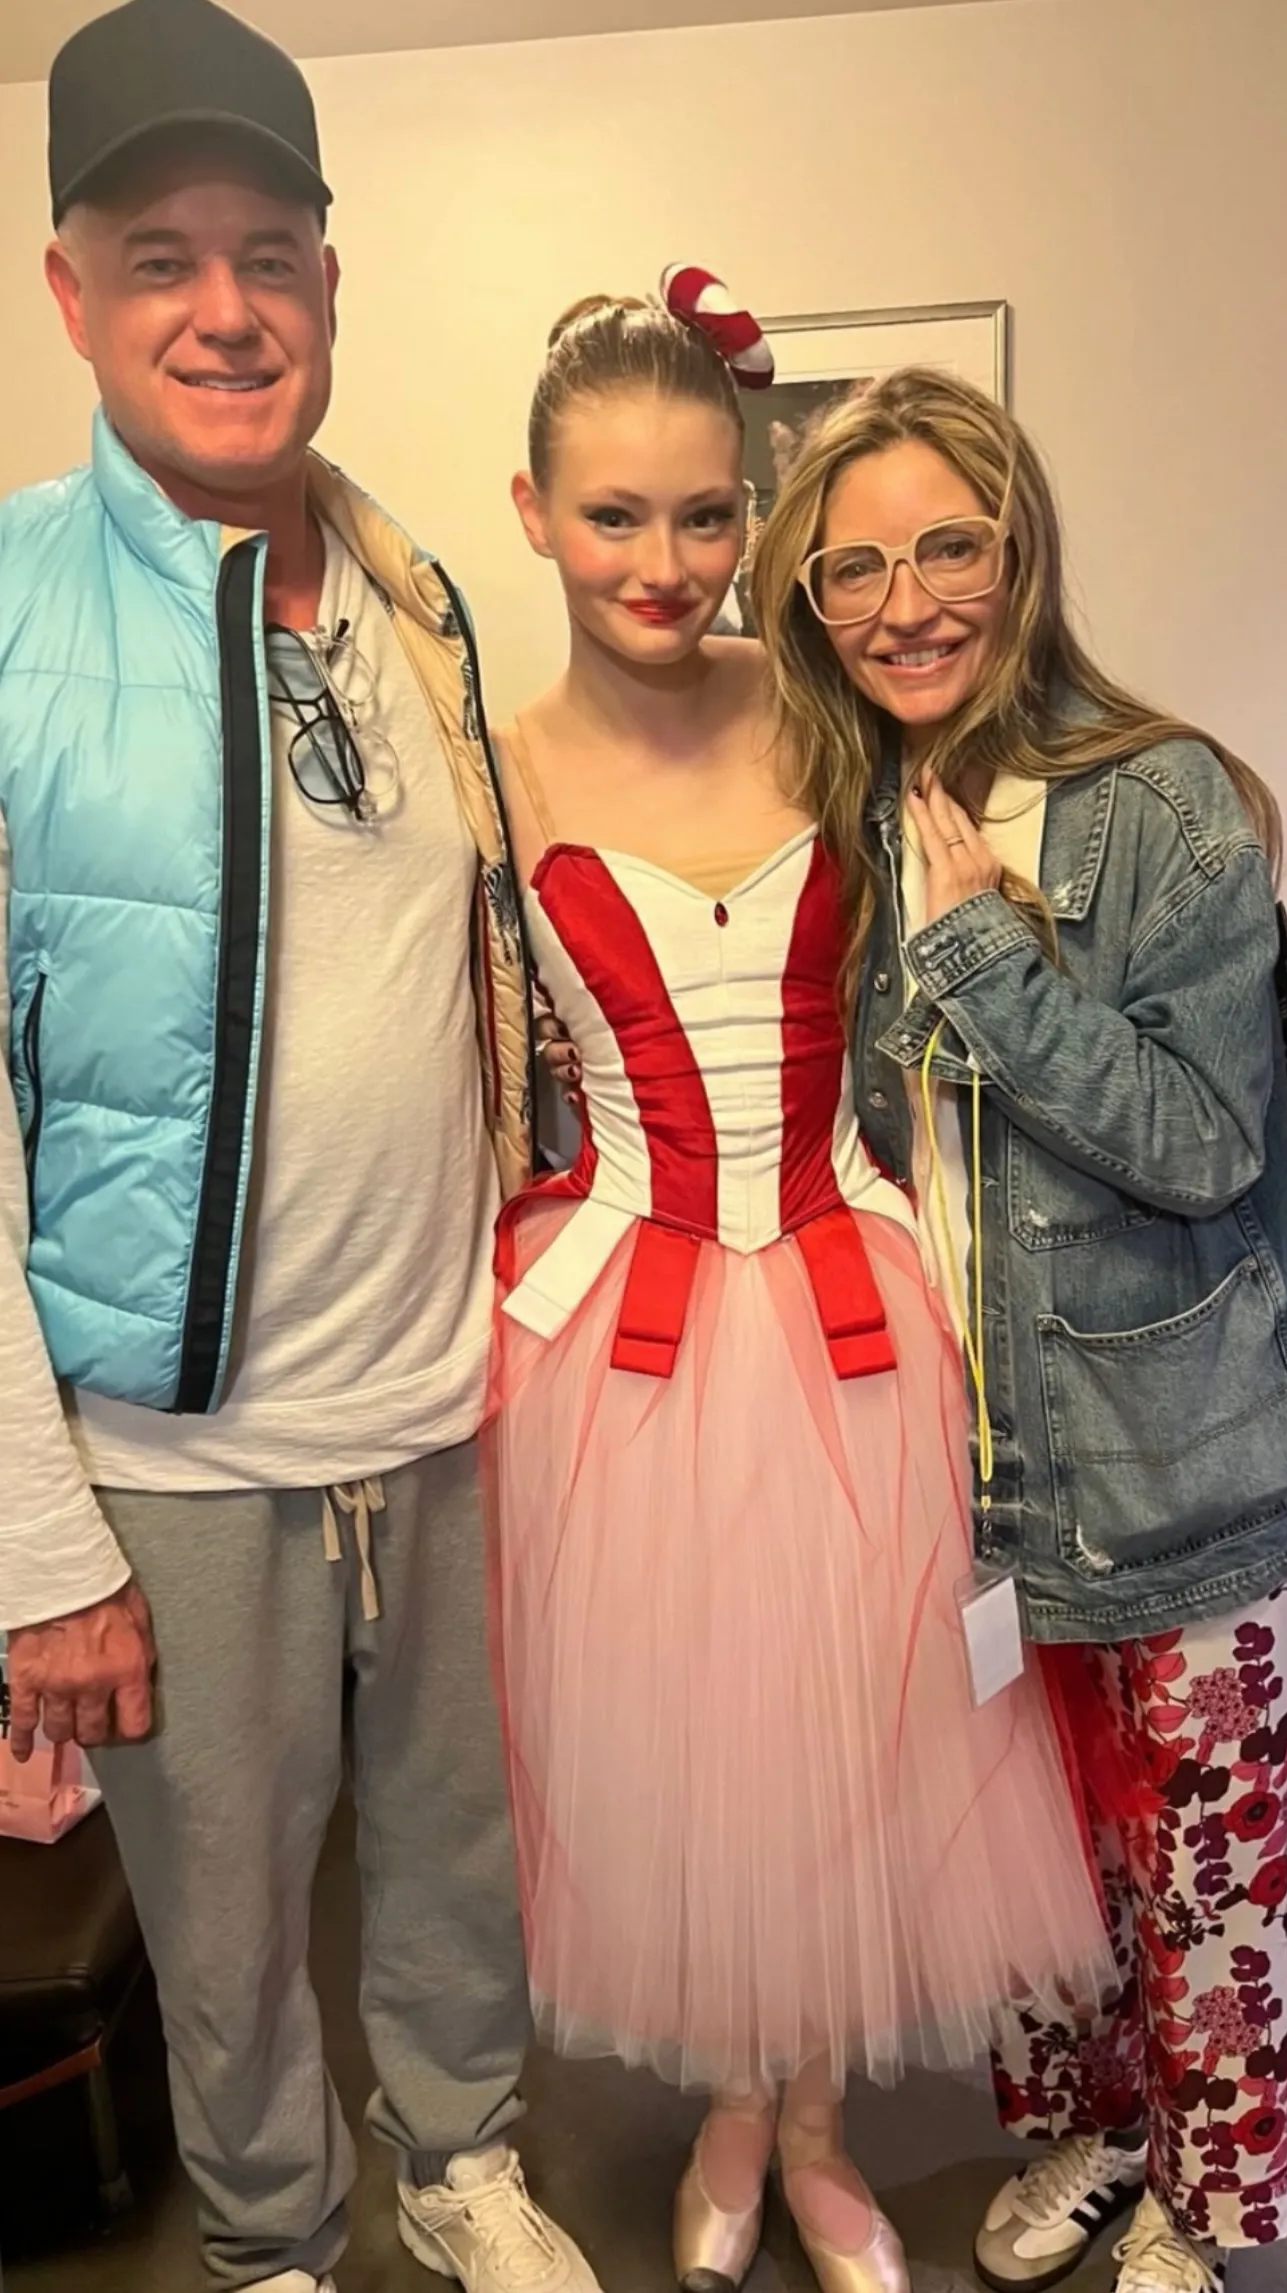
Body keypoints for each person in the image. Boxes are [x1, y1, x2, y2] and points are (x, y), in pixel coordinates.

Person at [0, 5, 601, 2290]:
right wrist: (33, 1543)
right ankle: (270, 2243)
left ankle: (459, 2160)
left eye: (268, 253)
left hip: (444, 1402)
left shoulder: (420, 591)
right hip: (172, 1449)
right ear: (71, 292)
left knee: (458, 1852)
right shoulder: (8, 615)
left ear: (331, 286)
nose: (225, 308)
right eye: (161, 258)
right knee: (228, 1915)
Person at [485, 269, 1116, 2293]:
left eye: (702, 515)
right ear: (532, 512)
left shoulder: (828, 708)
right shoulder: (496, 769)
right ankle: (731, 2112)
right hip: (629, 1335)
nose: (662, 562)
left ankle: (821, 2122)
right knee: (689, 1755)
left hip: (855, 1299)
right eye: (612, 515)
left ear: (748, 514)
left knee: (862, 1734)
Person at [751, 366, 1287, 2293]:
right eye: (853, 568)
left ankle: (1212, 2213)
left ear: (1021, 551)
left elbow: (1207, 1143)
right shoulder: (857, 813)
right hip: (966, 1465)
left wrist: (985, 953)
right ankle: (1095, 2132)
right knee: (1040, 1869)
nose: (903, 604)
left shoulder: (1166, 806)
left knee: (1203, 1876)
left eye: (947, 548)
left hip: (1173, 1459)